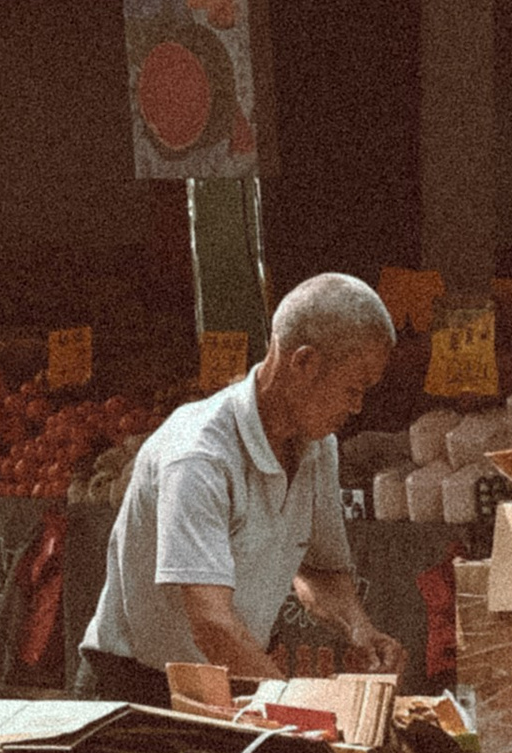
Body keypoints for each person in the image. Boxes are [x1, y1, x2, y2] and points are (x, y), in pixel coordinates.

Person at [76, 271, 402, 706]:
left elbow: (319, 570)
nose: (357, 407)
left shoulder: (319, 447)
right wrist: (292, 706)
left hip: (225, 680)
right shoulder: (198, 456)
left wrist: (360, 630)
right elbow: (211, 623)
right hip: (134, 687)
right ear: (304, 363)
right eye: (352, 389)